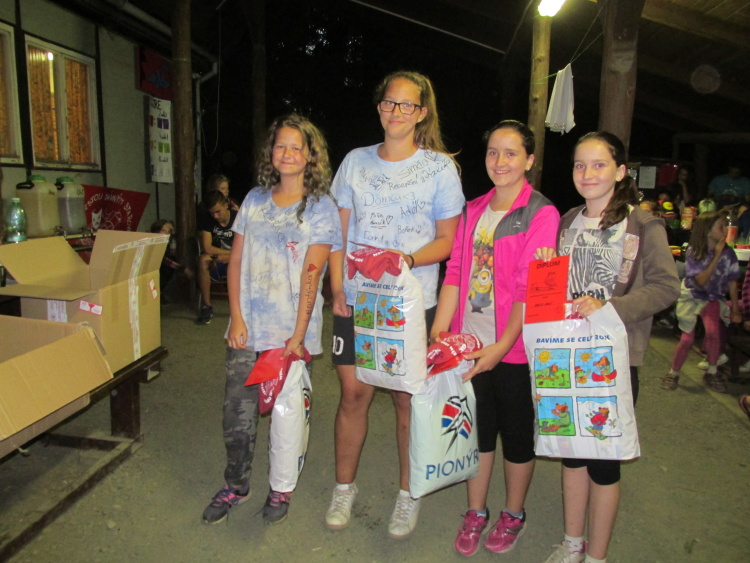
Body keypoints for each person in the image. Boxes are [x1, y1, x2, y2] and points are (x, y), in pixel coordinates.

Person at [326, 70, 465, 538]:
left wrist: (406, 258)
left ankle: (409, 494)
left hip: (411, 304)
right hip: (358, 301)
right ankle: (344, 487)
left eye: (407, 105)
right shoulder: (355, 162)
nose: (397, 112)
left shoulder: (439, 169)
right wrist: (338, 289)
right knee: (353, 395)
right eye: (389, 102)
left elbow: (447, 241)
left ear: (422, 112)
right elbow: (338, 234)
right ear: (379, 107)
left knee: (407, 401)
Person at [536, 131, 680, 563]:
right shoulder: (567, 221)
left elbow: (666, 287)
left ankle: (596, 556)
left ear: (620, 171)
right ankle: (572, 543)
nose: (587, 173)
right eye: (580, 165)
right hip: (563, 355)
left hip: (612, 361)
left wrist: (610, 307)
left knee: (602, 462)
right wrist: (545, 271)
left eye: (599, 164)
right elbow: (557, 290)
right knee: (571, 456)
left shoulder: (643, 225)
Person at [201, 114, 341, 526]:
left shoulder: (321, 207)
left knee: (286, 414)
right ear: (270, 152)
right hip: (249, 327)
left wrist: (298, 335)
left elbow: (313, 271)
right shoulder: (255, 200)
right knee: (237, 413)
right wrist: (236, 317)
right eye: (281, 145)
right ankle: (236, 485)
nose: (288, 153)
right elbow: (236, 260)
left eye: (297, 147)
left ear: (310, 155)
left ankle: (281, 489)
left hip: (290, 333)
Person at [430, 120, 559, 556]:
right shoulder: (473, 209)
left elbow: (528, 288)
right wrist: (440, 331)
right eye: (492, 152)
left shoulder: (540, 213)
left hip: (514, 348)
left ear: (529, 160)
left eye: (510, 153)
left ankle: (514, 514)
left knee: (517, 436)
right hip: (470, 345)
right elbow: (454, 272)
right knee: (477, 432)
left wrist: (501, 348)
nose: (499, 161)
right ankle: (476, 512)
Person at [662, 211, 742, 393]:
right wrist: (716, 256)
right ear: (707, 230)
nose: (725, 231)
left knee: (713, 332)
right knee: (687, 339)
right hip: (692, 296)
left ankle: (712, 372)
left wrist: (735, 309)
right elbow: (700, 281)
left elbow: (732, 282)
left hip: (712, 297)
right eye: (721, 227)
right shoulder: (695, 251)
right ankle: (673, 372)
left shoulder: (729, 253)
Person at [196, 191, 237, 325]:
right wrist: (228, 254)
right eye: (212, 213)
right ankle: (207, 306)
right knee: (203, 260)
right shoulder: (206, 219)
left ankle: (241, 307)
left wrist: (230, 256)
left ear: (226, 205)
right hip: (218, 256)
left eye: (218, 212)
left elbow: (247, 247)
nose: (215, 216)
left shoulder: (238, 218)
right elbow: (207, 247)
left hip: (237, 257)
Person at [150, 219, 180, 297]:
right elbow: (164, 259)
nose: (167, 233)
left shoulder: (170, 241)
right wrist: (181, 268)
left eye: (169, 231)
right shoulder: (153, 242)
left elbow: (172, 254)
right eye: (163, 230)